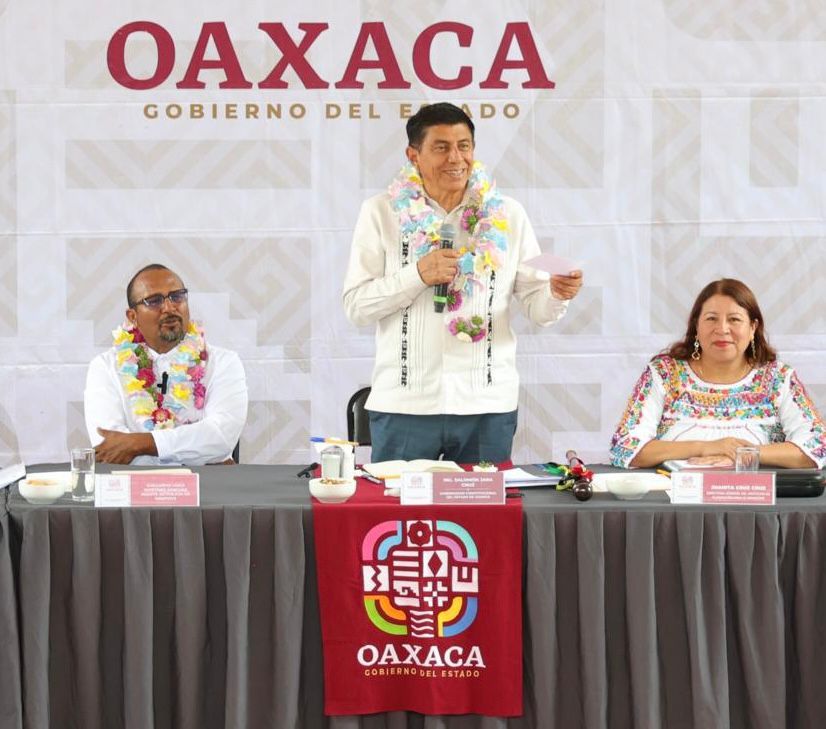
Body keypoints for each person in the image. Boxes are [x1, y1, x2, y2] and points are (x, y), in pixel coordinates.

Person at [343, 102, 583, 462]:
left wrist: (555, 293)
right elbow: (356, 307)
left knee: (485, 501)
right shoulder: (380, 212)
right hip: (405, 406)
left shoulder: (507, 215)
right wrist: (417, 275)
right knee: (399, 502)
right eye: (441, 147)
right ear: (413, 155)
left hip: (486, 407)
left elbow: (539, 307)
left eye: (464, 146)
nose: (455, 158)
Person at [610, 278, 826, 469]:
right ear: (696, 326)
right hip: (674, 497)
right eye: (711, 318)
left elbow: (818, 446)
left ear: (753, 328)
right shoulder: (664, 374)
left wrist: (744, 454)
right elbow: (625, 447)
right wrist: (707, 447)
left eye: (734, 319)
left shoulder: (777, 378)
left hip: (755, 497)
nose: (722, 329)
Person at [84, 264, 248, 465]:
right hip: (134, 483)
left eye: (177, 297)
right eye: (154, 301)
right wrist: (194, 453)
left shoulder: (223, 362)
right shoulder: (105, 367)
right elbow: (109, 448)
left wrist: (139, 443)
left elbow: (220, 437)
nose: (169, 308)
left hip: (210, 483)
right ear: (133, 317)